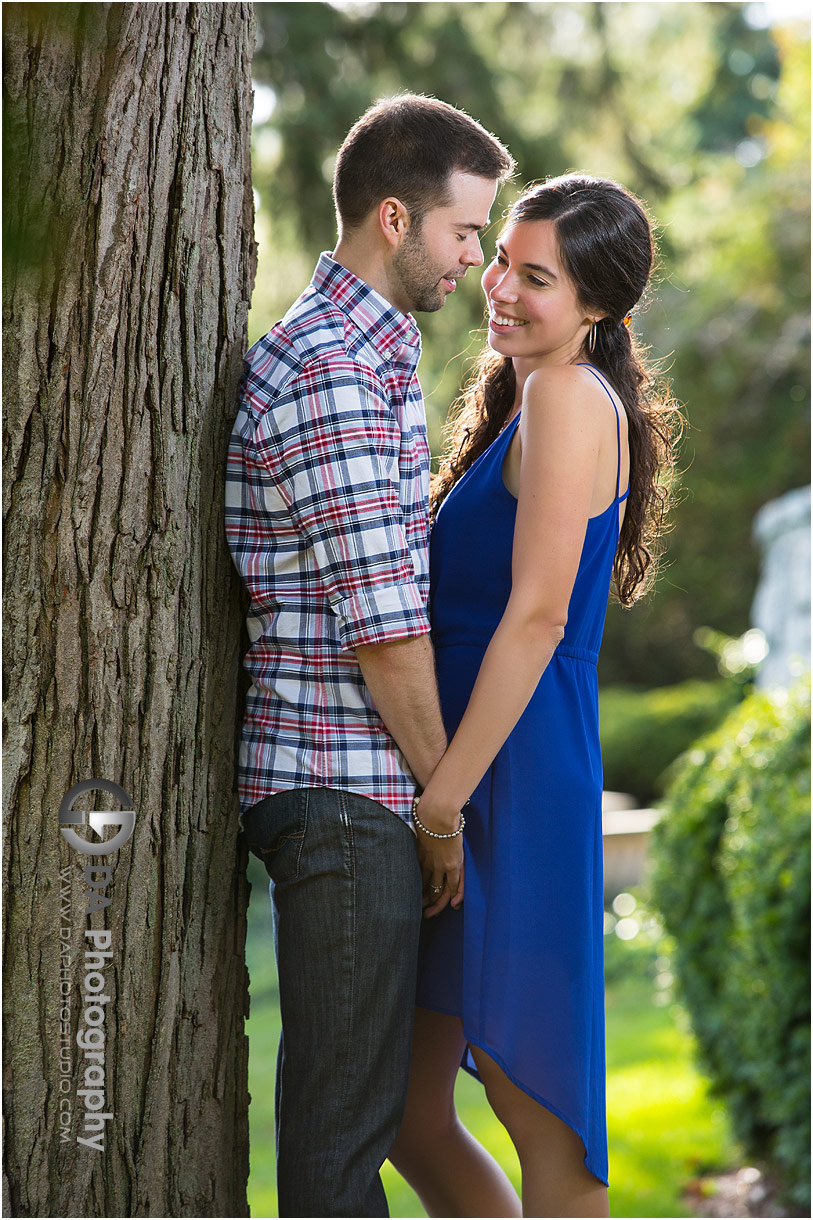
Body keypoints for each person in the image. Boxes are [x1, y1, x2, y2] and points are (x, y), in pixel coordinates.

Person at [224, 94, 514, 1217]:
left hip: (355, 788)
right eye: (464, 232)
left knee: (353, 1116)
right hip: (344, 792)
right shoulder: (334, 367)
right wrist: (440, 802)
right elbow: (384, 628)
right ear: (394, 217)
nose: (475, 262)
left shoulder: (366, 355)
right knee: (344, 1141)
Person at [389, 175, 680, 1218]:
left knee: (540, 1111)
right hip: (470, 768)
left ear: (597, 305)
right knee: (409, 1110)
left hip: (507, 777)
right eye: (502, 260)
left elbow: (537, 619)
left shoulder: (566, 396)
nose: (501, 286)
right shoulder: (527, 393)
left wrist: (443, 799)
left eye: (537, 277)